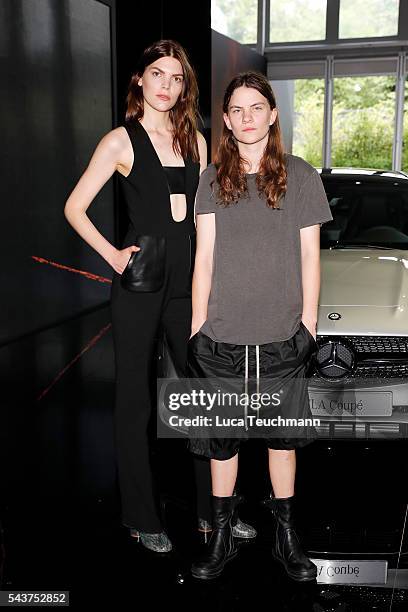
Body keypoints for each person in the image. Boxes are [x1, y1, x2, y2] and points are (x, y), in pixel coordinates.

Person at [64, 40, 254, 553]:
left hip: (189, 283)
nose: (166, 85)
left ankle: (213, 512)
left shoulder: (196, 139)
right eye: (157, 74)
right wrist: (114, 256)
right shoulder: (119, 141)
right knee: (136, 402)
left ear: (183, 86)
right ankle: (141, 517)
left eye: (175, 77)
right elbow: (74, 208)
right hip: (139, 283)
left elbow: (212, 214)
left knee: (200, 398)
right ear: (140, 81)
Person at [187, 71, 333, 580]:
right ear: (225, 121)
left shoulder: (301, 176)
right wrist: (196, 331)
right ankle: (222, 538)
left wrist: (308, 328)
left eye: (257, 108)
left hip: (281, 339)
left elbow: (311, 259)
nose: (247, 118)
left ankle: (286, 539)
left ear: (273, 114)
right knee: (221, 445)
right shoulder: (210, 179)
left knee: (282, 444)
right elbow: (203, 259)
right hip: (221, 339)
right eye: (237, 110)